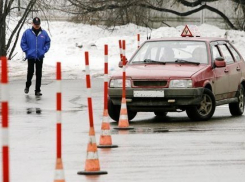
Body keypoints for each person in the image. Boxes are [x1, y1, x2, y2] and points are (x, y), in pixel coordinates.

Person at [21, 17, 51, 96]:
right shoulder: (27, 33)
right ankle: (27, 85)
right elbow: (23, 42)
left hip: (39, 56)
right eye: (35, 24)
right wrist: (27, 51)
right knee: (30, 72)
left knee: (39, 73)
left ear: (40, 24)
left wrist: (44, 50)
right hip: (31, 56)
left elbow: (48, 42)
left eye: (38, 24)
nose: (36, 26)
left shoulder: (44, 33)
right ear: (32, 24)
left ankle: (37, 90)